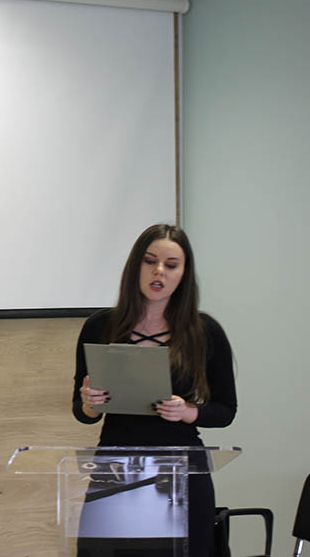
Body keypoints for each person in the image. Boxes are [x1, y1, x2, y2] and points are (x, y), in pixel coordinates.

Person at [73, 223, 237, 557]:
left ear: (184, 275)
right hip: (117, 465)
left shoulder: (204, 331)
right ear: (135, 266)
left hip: (182, 469)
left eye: (171, 265)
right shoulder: (100, 326)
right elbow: (83, 412)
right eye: (150, 261)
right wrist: (89, 403)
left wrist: (188, 412)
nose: (159, 271)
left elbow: (225, 411)